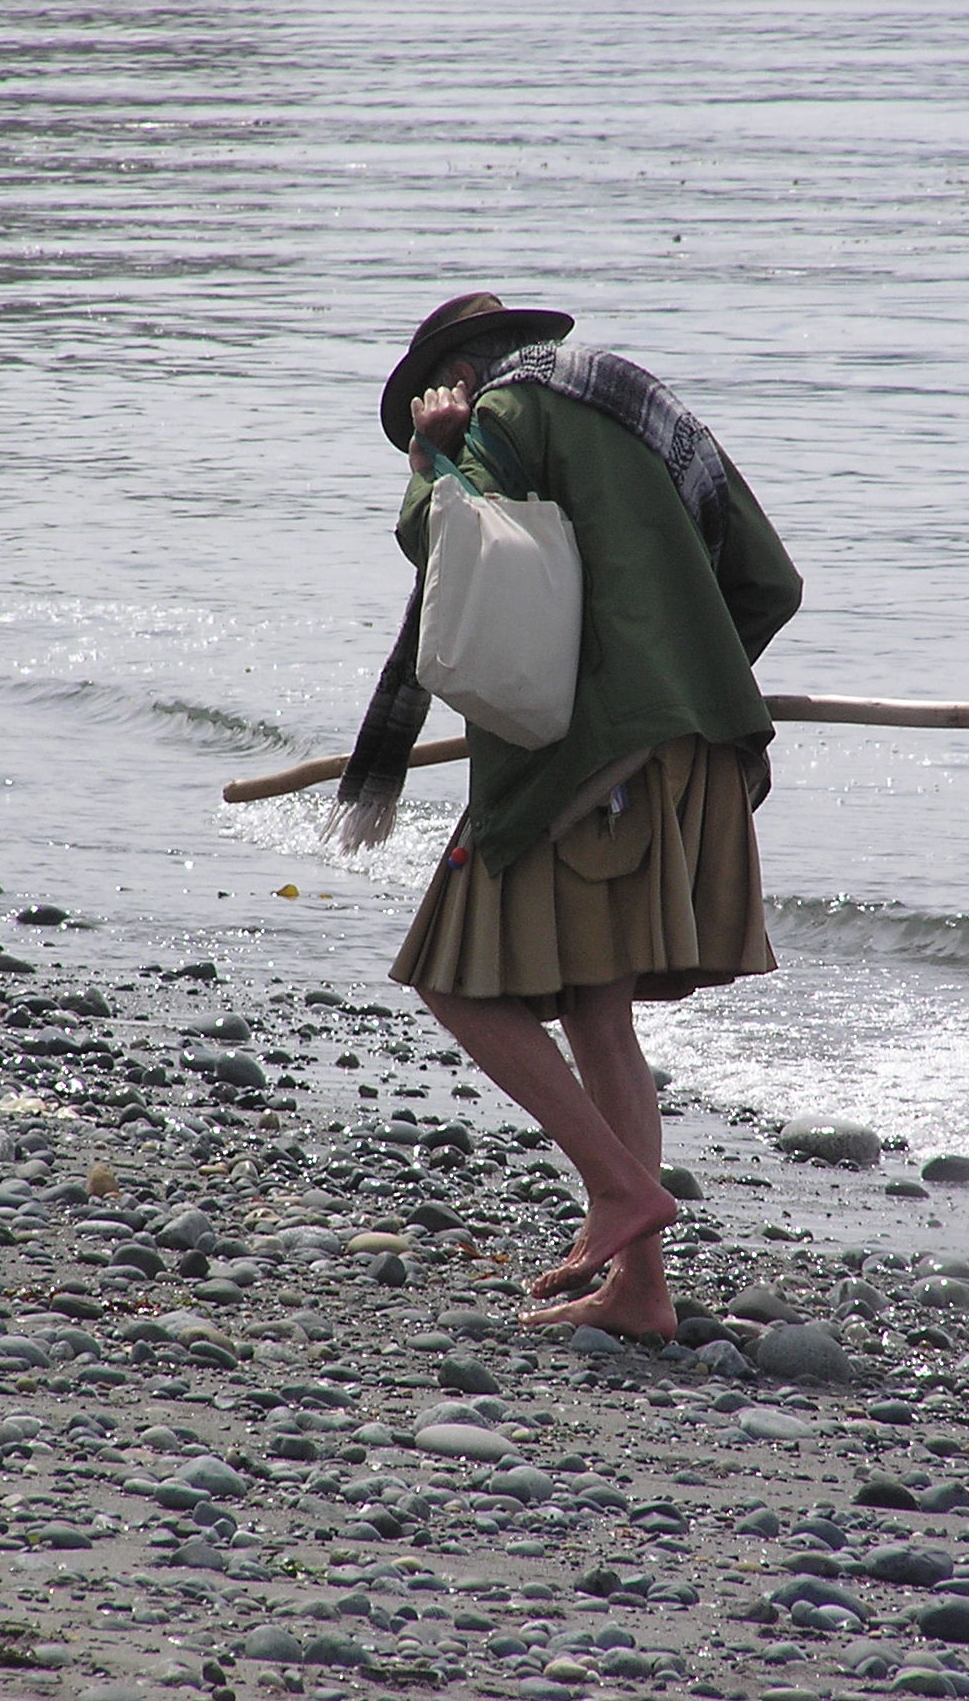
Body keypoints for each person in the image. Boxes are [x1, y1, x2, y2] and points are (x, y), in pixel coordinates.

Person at [335, 292, 801, 1339]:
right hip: (692, 756)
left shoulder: (497, 419)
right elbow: (767, 581)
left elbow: (451, 548)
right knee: (597, 1008)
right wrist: (680, 672)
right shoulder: (651, 408)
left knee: (453, 980)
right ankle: (641, 1292)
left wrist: (430, 460)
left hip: (586, 764)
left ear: (452, 374)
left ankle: (617, 1186)